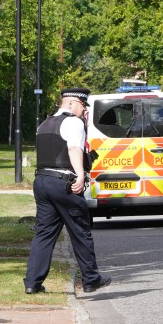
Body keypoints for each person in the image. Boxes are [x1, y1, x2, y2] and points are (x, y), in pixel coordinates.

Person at [23, 87, 111, 295]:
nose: (84, 111)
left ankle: (32, 282)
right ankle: (91, 278)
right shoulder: (73, 122)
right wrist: (80, 175)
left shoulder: (43, 124)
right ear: (71, 103)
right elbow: (73, 149)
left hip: (42, 181)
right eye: (82, 106)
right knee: (80, 230)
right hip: (64, 183)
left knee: (44, 234)